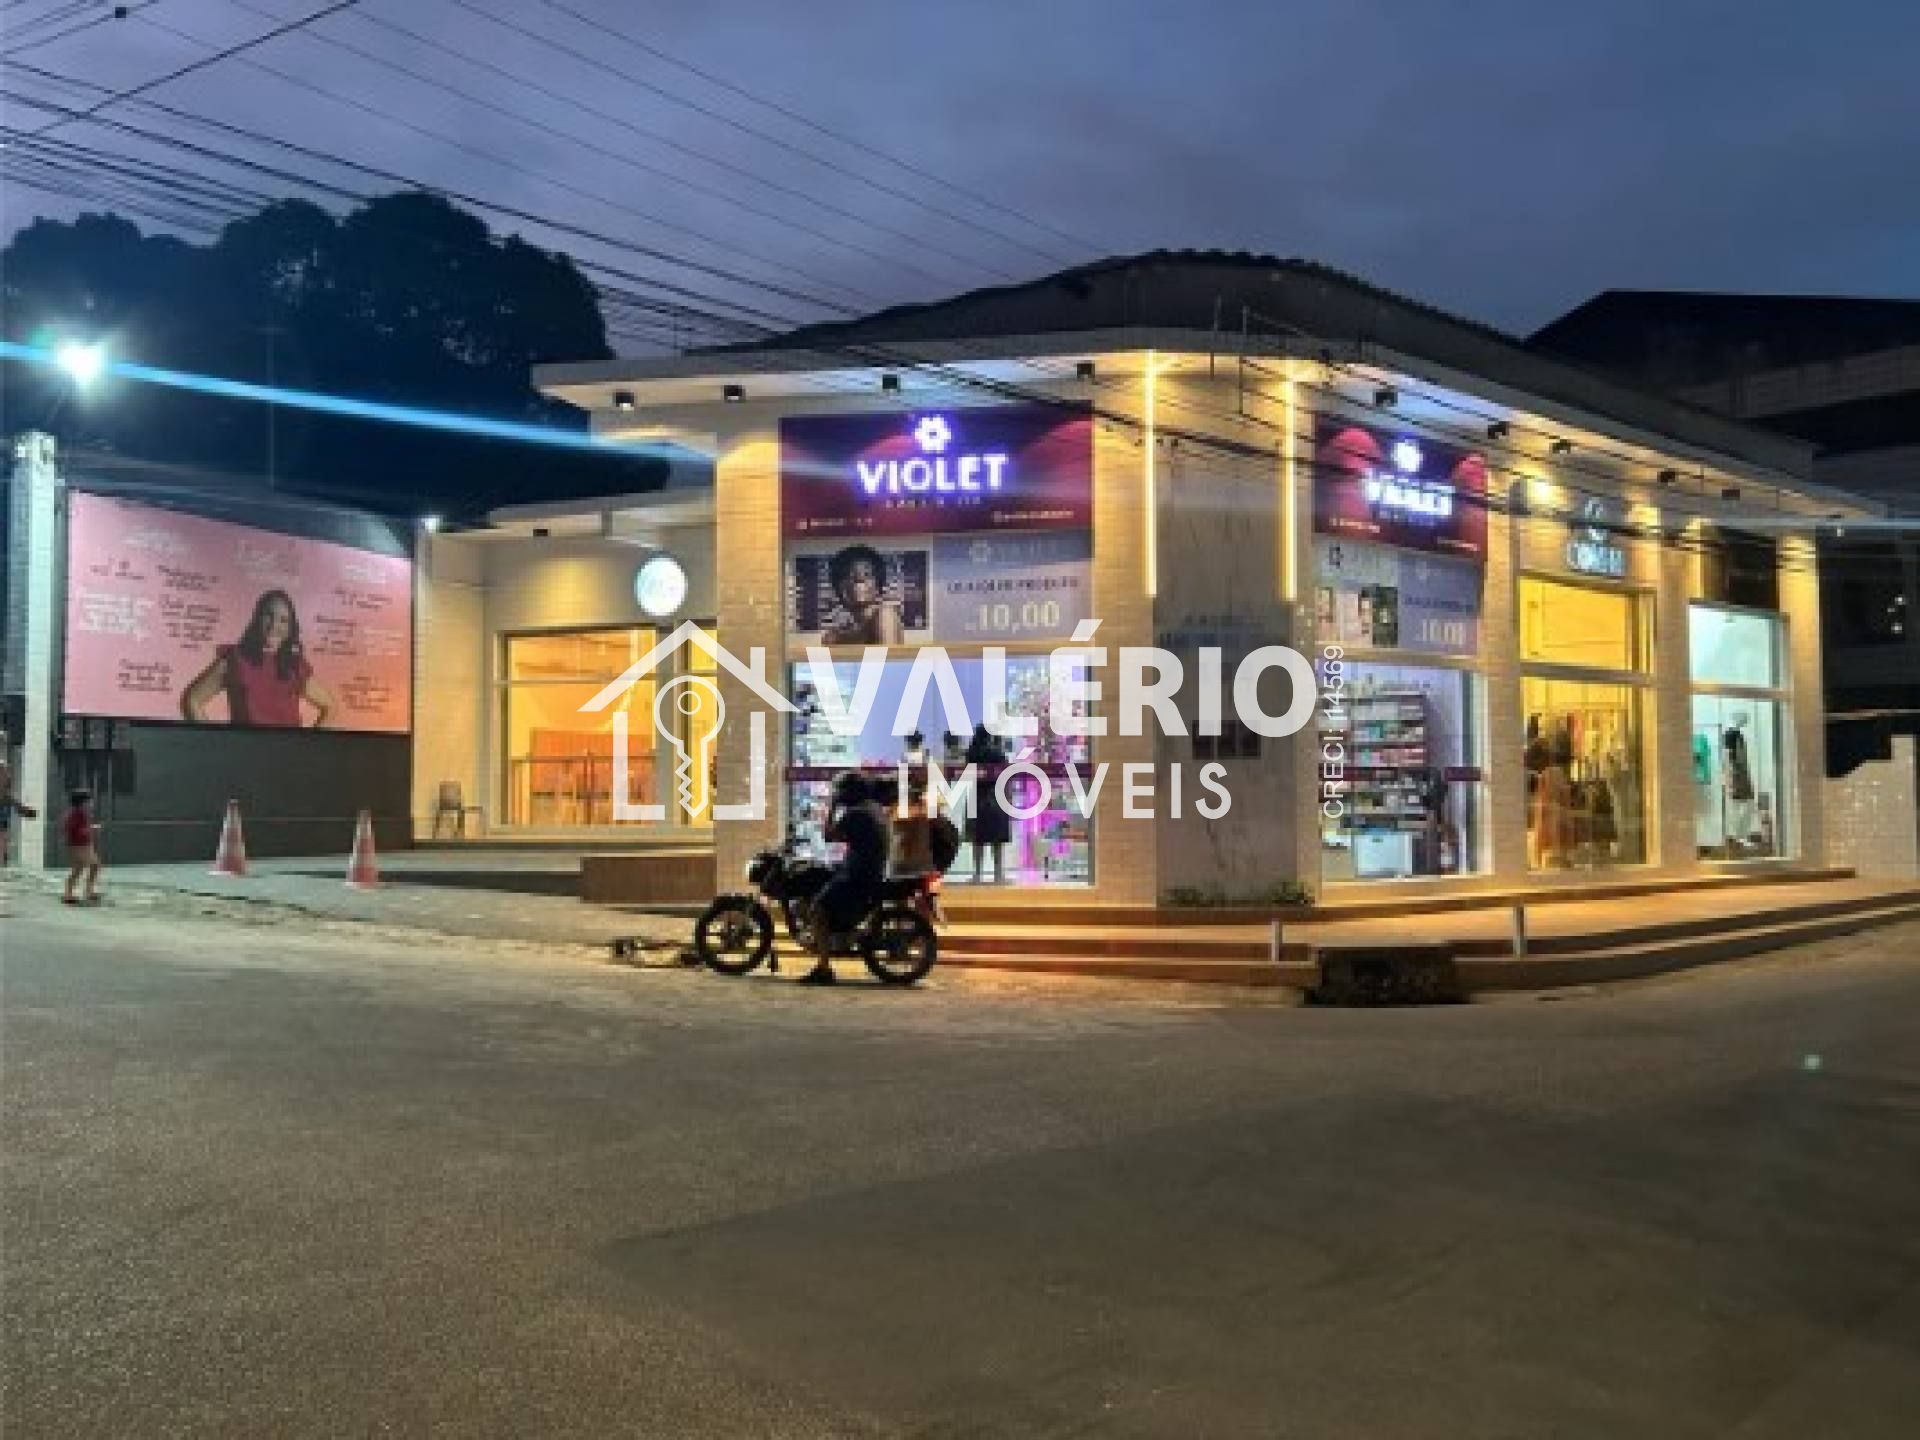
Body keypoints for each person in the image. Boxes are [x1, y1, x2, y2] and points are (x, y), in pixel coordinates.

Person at [180, 589, 334, 727]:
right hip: (247, 756)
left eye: (283, 620)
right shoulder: (234, 659)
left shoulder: (296, 666)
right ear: (257, 619)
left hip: (289, 756)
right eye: (268, 615)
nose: (274, 625)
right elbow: (192, 700)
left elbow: (330, 707)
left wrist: (308, 745)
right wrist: (217, 744)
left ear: (290, 628)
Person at [804, 772, 890, 984]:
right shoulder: (873, 809)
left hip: (857, 876)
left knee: (816, 909)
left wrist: (831, 807)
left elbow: (828, 836)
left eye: (840, 791)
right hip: (866, 871)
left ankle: (824, 968)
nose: (838, 795)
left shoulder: (856, 814)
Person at [821, 545, 905, 645]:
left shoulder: (885, 615)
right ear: (838, 587)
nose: (859, 581)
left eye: (866, 574)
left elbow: (888, 659)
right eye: (848, 576)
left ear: (878, 584)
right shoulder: (836, 634)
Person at [964, 724, 1011, 883]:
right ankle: (998, 874)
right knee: (997, 840)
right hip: (995, 798)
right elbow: (1006, 773)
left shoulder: (971, 753)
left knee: (978, 839)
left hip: (977, 797)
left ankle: (977, 874)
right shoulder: (997, 753)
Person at [62, 789, 102, 906]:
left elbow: (82, 828)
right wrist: (91, 829)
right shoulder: (74, 815)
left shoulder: (83, 814)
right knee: (93, 865)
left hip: (84, 844)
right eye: (89, 801)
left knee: (80, 868)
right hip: (78, 845)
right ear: (82, 803)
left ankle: (73, 892)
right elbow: (73, 830)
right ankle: (85, 891)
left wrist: (89, 829)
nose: (91, 804)